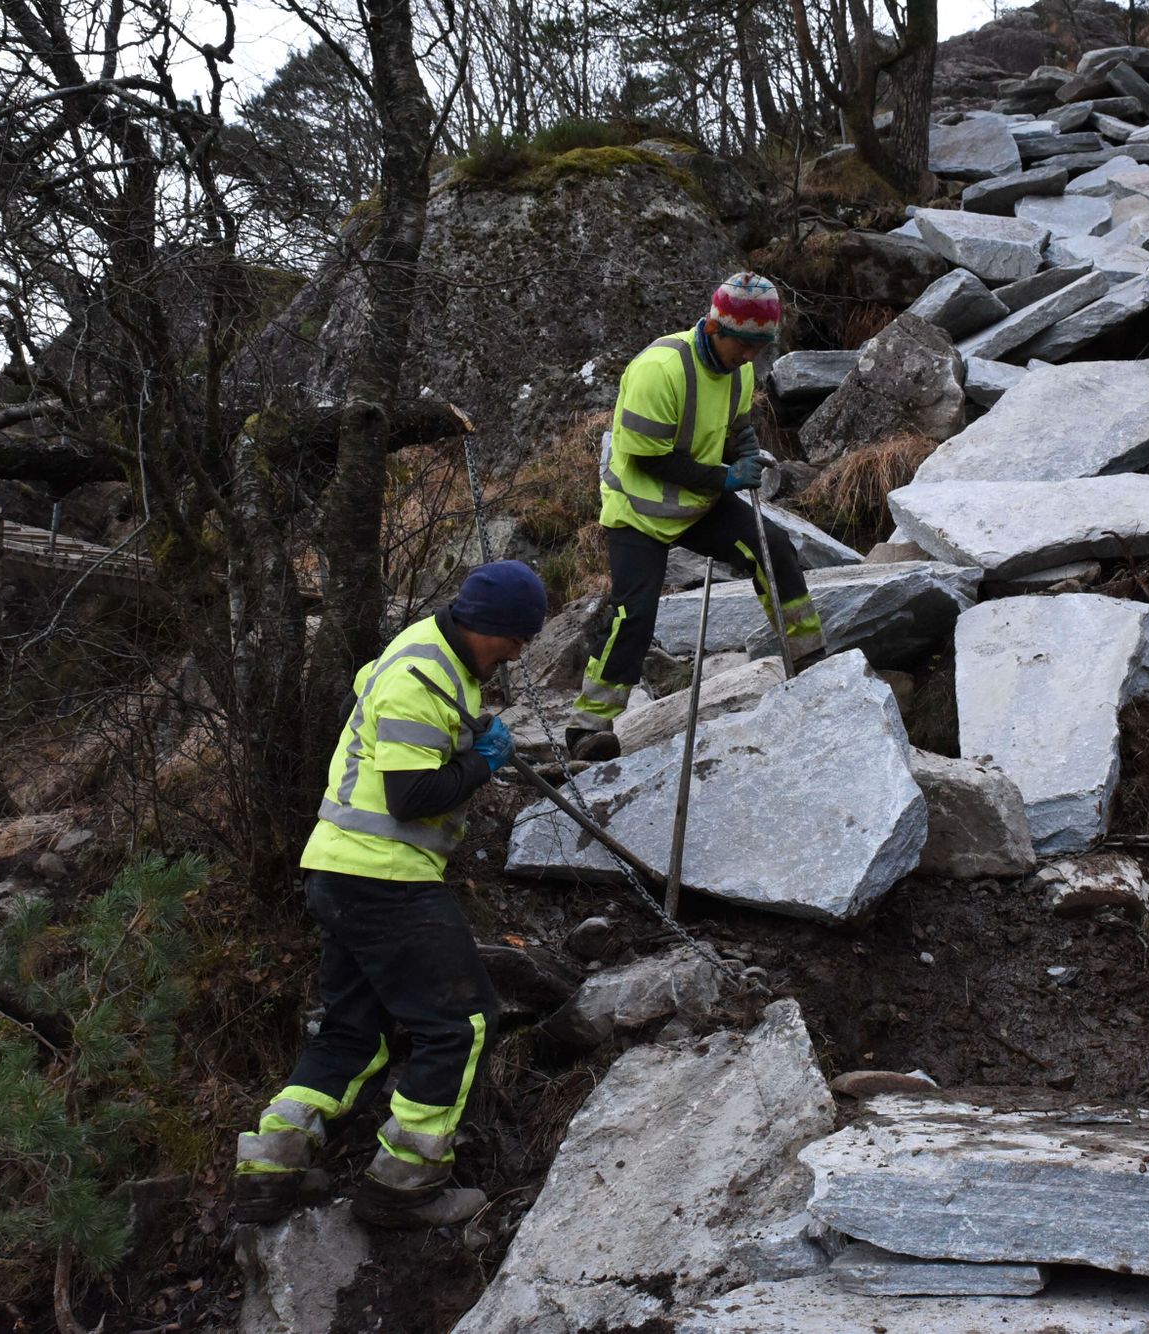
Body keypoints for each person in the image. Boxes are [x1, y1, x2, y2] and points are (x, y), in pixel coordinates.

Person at [231, 561, 544, 1230]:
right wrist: (480, 763)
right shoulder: (419, 678)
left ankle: (271, 1165)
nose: (518, 653)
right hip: (384, 877)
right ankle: (404, 1185)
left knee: (351, 1031)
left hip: (341, 875)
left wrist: (464, 740)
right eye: (516, 639)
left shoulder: (421, 655)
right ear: (487, 626)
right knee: (462, 1023)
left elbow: (368, 728)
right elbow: (409, 799)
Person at [566, 271, 826, 762]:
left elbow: (731, 426)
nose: (750, 356)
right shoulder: (659, 370)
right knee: (633, 616)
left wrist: (743, 446)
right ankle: (586, 729)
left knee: (772, 550)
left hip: (698, 504)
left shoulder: (741, 369)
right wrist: (727, 477)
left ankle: (810, 657)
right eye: (744, 344)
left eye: (760, 345)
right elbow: (648, 458)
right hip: (639, 511)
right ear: (713, 329)